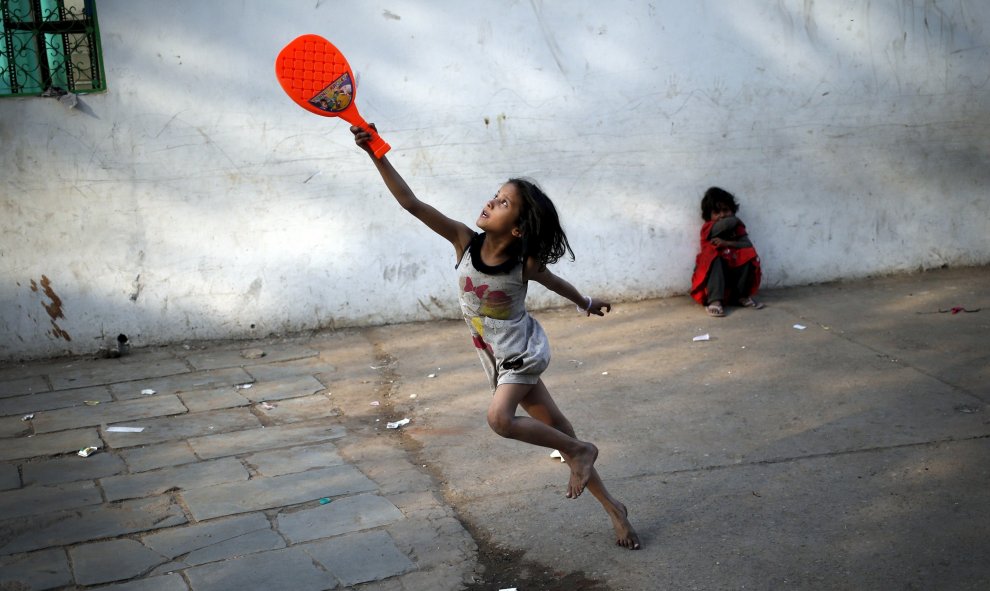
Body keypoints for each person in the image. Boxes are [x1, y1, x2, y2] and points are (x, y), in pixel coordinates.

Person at [352, 124, 640, 550]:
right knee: (560, 429)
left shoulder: (523, 264)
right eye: (495, 194)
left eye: (503, 202)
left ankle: (580, 452)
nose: (491, 201)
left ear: (519, 228)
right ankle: (614, 507)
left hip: (520, 354)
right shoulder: (464, 241)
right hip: (496, 357)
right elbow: (410, 203)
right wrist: (375, 152)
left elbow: (557, 283)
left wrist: (585, 301)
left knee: (500, 420)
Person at [690, 186, 763, 317]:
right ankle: (715, 301)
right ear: (708, 215)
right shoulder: (709, 227)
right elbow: (725, 224)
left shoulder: (736, 226)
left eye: (725, 210)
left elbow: (747, 244)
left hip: (732, 272)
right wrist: (734, 218)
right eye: (716, 212)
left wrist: (727, 243)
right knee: (714, 256)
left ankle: (740, 296)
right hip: (712, 275)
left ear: (732, 210)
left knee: (748, 253)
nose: (722, 215)